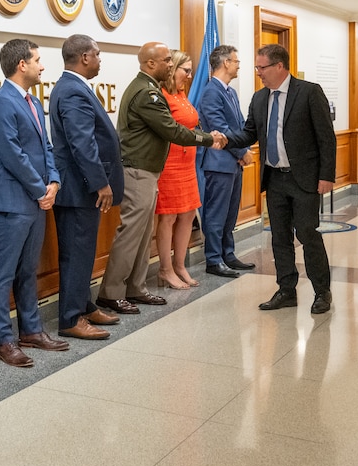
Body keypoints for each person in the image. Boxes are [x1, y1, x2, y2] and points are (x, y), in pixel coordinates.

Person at [96, 42, 223, 315]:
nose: (170, 64)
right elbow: (171, 130)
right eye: (166, 60)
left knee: (143, 235)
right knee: (131, 234)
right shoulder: (145, 93)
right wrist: (207, 138)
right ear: (150, 64)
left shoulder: (150, 89)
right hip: (137, 171)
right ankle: (111, 293)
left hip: (148, 170)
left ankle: (136, 288)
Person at [222, 44, 336, 314]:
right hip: (275, 179)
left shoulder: (308, 92)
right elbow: (249, 133)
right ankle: (286, 290)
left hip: (305, 179)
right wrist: (225, 139)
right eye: (257, 68)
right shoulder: (260, 99)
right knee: (279, 238)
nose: (258, 73)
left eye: (262, 67)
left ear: (279, 67)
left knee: (308, 234)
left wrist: (326, 176)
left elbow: (326, 138)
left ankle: (322, 292)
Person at [0, 39, 68, 367]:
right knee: (3, 273)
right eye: (37, 60)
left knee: (28, 270)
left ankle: (31, 330)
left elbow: (46, 147)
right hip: (13, 203)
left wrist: (54, 181)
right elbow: (12, 155)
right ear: (21, 64)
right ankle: (3, 340)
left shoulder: (31, 101)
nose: (42, 66)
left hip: (36, 201)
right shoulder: (3, 103)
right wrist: (40, 189)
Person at [50, 34, 123, 341]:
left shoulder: (73, 87)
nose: (100, 60)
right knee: (76, 253)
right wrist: (100, 184)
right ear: (84, 58)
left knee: (83, 252)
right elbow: (82, 143)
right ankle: (70, 318)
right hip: (80, 189)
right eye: (97, 54)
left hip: (81, 189)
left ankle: (83, 304)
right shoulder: (72, 91)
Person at [198, 44, 255, 279]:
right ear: (225, 63)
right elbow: (218, 128)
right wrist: (242, 151)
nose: (238, 64)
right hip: (219, 163)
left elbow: (239, 125)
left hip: (233, 162)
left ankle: (228, 254)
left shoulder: (229, 91)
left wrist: (244, 149)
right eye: (235, 60)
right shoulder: (212, 91)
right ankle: (213, 259)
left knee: (230, 213)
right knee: (216, 213)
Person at [154, 50, 204, 290]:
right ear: (173, 69)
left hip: (188, 164)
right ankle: (165, 269)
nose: (190, 75)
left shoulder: (183, 95)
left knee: (187, 214)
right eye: (186, 70)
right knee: (169, 216)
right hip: (169, 164)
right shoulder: (161, 95)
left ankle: (180, 265)